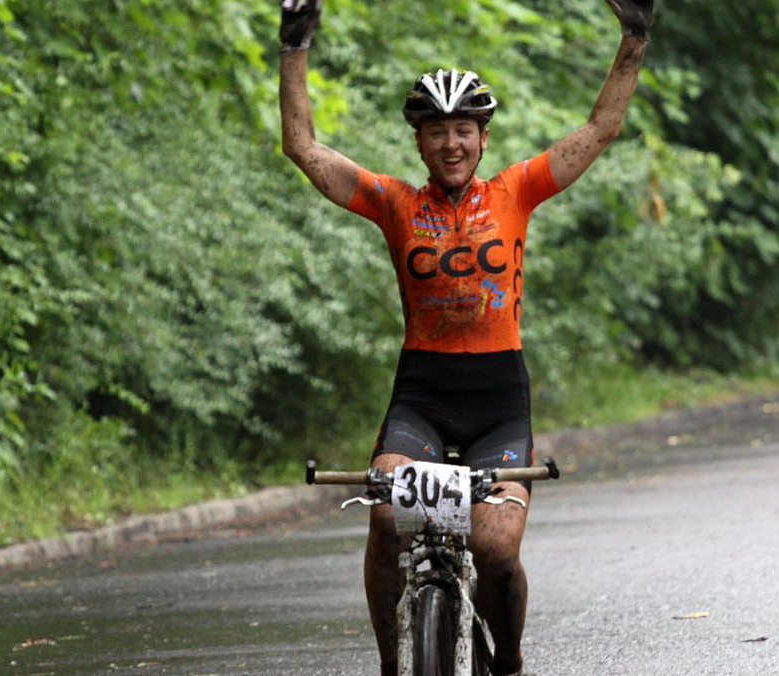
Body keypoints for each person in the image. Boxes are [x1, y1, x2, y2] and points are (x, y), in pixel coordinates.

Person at [279, 1, 653, 674]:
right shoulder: (395, 203)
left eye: (464, 130)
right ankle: (394, 663)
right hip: (421, 397)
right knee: (386, 517)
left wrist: (634, 40)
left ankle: (507, 661)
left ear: (482, 138)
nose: (451, 143)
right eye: (436, 131)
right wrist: (294, 49)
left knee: (498, 549)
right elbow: (303, 148)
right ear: (418, 142)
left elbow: (600, 129)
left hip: (498, 401)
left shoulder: (516, 192)